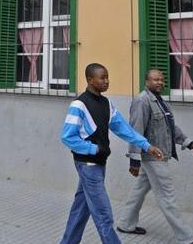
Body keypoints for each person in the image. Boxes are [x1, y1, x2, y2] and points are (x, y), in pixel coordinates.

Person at [59, 63, 165, 244]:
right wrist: (94, 149)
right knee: (103, 214)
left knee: (80, 209)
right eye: (102, 78)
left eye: (107, 77)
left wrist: (146, 146)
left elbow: (124, 129)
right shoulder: (79, 105)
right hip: (88, 165)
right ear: (90, 80)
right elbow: (67, 137)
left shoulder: (106, 103)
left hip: (99, 164)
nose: (107, 81)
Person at [117, 68, 193, 244]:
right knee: (167, 197)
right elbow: (135, 131)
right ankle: (187, 238)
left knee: (139, 190)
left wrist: (188, 142)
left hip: (160, 155)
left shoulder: (161, 102)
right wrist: (134, 160)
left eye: (162, 80)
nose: (160, 83)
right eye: (155, 80)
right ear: (146, 81)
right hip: (153, 157)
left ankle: (126, 224)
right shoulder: (142, 101)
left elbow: (170, 128)